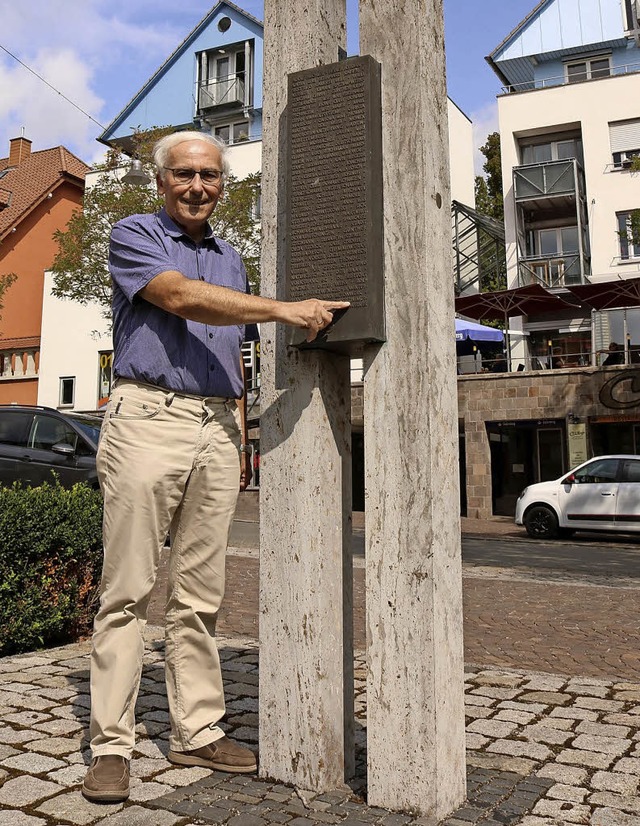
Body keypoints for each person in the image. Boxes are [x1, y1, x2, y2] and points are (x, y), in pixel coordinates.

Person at [82, 131, 349, 803]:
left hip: (212, 427)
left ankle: (196, 727)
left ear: (221, 184)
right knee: (128, 592)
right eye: (184, 175)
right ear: (162, 180)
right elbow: (180, 299)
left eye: (209, 175)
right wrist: (283, 309)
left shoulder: (231, 257)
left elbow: (231, 353)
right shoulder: (133, 235)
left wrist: (234, 438)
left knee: (199, 595)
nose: (197, 186)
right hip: (148, 417)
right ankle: (111, 745)